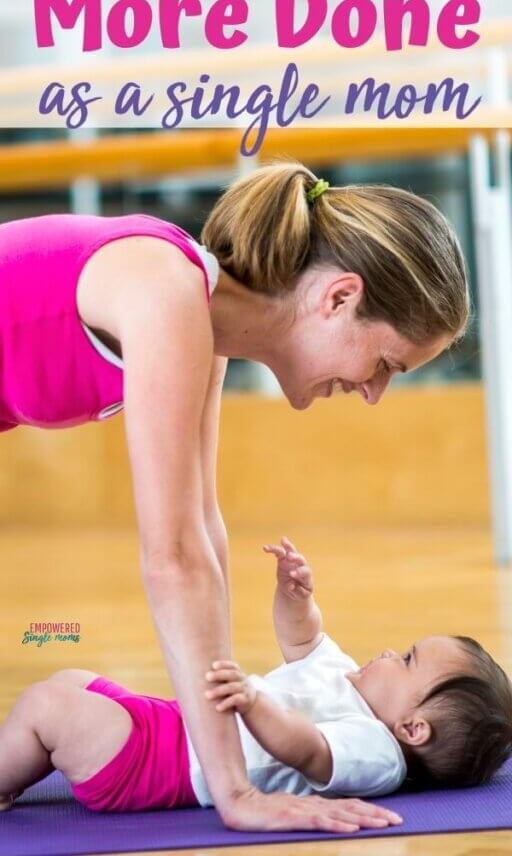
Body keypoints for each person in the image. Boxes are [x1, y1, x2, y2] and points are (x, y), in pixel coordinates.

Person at [0, 162, 469, 831]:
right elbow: (171, 558)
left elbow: (201, 533)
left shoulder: (202, 325)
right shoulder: (169, 297)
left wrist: (220, 747)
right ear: (338, 299)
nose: (373, 391)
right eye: (387, 364)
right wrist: (236, 794)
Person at [0, 538, 508, 824]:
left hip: (165, 766)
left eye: (406, 659)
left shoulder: (377, 751)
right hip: (172, 723)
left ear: (413, 728)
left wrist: (252, 703)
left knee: (48, 708)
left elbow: (307, 748)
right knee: (72, 679)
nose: (388, 652)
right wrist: (296, 598)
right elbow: (303, 641)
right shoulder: (347, 678)